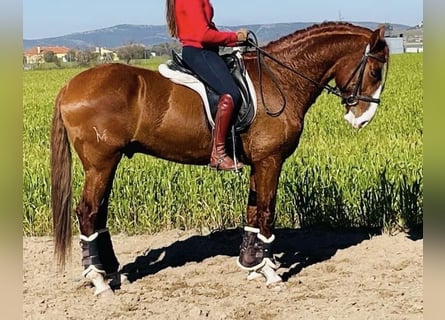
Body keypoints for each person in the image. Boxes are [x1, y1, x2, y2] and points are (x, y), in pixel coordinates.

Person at [166, 0, 248, 171]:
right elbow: (203, 35)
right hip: (200, 52)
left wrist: (234, 42)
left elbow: (206, 29)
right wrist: (234, 37)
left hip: (204, 51)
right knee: (231, 94)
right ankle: (218, 154)